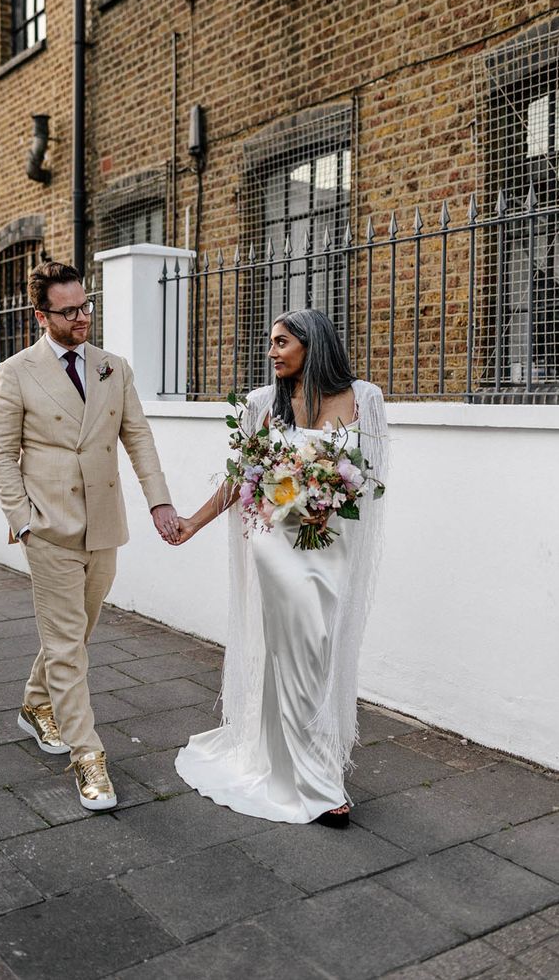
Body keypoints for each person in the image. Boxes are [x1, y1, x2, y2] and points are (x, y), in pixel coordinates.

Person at [172, 309, 388, 826]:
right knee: (303, 648)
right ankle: (319, 788)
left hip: (328, 545)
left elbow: (371, 479)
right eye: (270, 342)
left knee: (314, 648)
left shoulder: (364, 399)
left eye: (281, 342)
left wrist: (326, 498)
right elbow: (241, 477)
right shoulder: (264, 405)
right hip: (275, 543)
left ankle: (288, 760)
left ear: (313, 345)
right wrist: (192, 524)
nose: (271, 351)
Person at [0, 260, 179, 811]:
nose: (82, 317)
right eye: (68, 310)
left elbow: (137, 437)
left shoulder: (113, 368)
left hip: (104, 522)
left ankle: (35, 705)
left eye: (86, 305)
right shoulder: (15, 372)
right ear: (41, 315)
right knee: (69, 644)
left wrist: (159, 500)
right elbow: (1, 453)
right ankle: (87, 756)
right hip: (47, 526)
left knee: (77, 630)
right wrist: (21, 519)